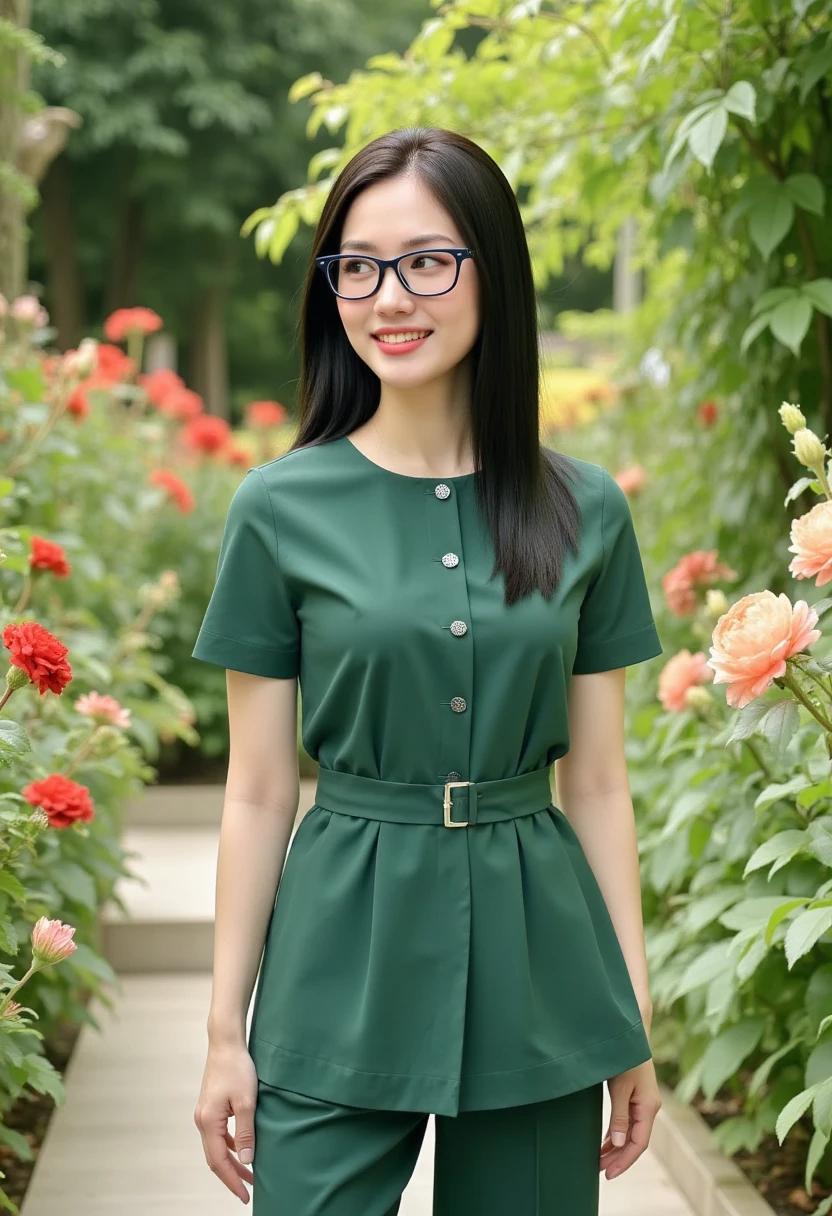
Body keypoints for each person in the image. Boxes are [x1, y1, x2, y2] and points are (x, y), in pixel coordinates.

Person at [191, 126, 664, 1215]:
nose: (387, 296)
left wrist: (628, 1012)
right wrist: (225, 1032)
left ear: (491, 271)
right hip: (335, 956)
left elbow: (595, 781)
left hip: (540, 964)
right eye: (356, 266)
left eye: (426, 261)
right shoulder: (277, 507)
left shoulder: (583, 508)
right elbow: (258, 788)